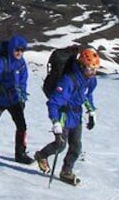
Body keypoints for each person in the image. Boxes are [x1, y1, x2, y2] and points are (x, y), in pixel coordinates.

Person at [34, 47, 100, 186]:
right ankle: (42, 155)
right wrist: (55, 122)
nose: (92, 73)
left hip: (76, 115)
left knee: (76, 146)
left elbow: (87, 95)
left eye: (95, 69)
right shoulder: (68, 80)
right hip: (63, 114)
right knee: (61, 144)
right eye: (89, 69)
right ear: (82, 65)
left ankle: (66, 171)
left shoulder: (90, 80)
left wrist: (91, 112)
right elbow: (53, 102)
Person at [0, 35, 33, 163]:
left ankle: (20, 154)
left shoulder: (21, 63)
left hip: (14, 99)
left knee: (22, 126)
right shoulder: (0, 61)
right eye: (17, 50)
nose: (19, 52)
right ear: (11, 49)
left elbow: (23, 81)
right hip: (0, 99)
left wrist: (22, 97)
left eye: (22, 50)